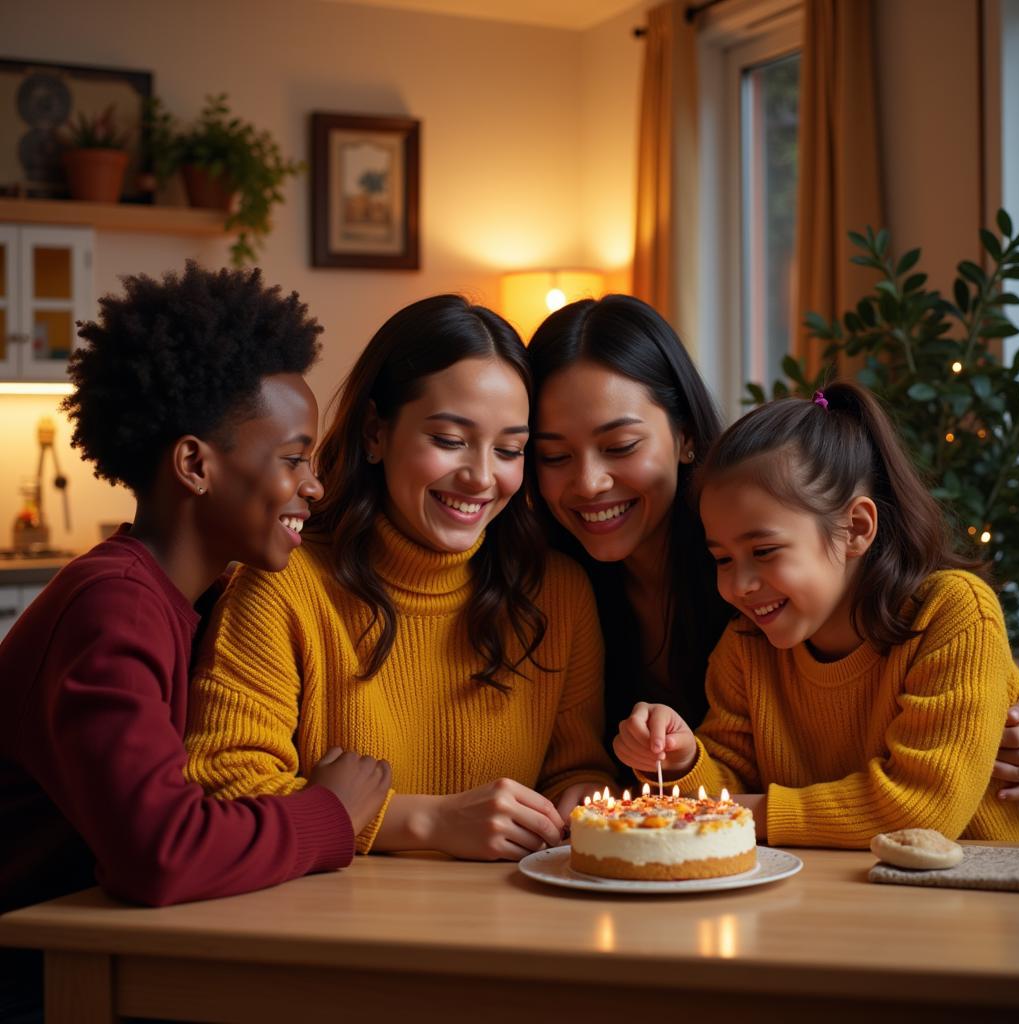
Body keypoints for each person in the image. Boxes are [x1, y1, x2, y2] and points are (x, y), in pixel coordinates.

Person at [0, 263, 392, 1022]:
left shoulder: (190, 598)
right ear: (194, 465)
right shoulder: (113, 608)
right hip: (33, 977)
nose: (315, 484)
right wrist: (327, 815)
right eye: (292, 458)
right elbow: (161, 851)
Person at [527, 293, 1019, 793]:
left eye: (620, 447)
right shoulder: (553, 594)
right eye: (552, 456)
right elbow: (721, 773)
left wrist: (976, 727)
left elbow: (913, 774)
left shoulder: (773, 567)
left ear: (686, 437)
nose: (589, 483)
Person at [184, 295, 616, 861]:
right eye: (449, 440)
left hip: (513, 924)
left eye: (510, 449)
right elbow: (222, 782)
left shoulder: (557, 592)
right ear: (374, 432)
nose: (481, 477)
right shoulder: (284, 584)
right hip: (335, 929)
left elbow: (575, 767)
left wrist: (575, 799)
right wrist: (427, 823)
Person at [613, 382, 1019, 846]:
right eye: (723, 559)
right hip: (831, 898)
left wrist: (737, 812)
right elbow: (728, 783)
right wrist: (685, 760)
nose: (738, 585)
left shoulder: (954, 614)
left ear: (856, 529)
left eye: (764, 550)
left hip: (974, 899)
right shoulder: (747, 646)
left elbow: (919, 808)